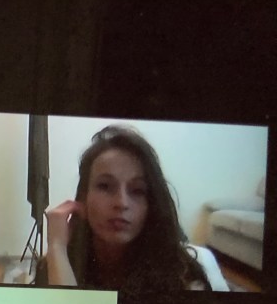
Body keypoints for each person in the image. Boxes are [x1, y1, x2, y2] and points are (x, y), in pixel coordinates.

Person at [36, 125, 227, 292]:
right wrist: (57, 248)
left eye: (137, 191)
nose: (122, 203)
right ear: (83, 197)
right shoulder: (57, 262)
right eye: (105, 186)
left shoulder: (183, 276)